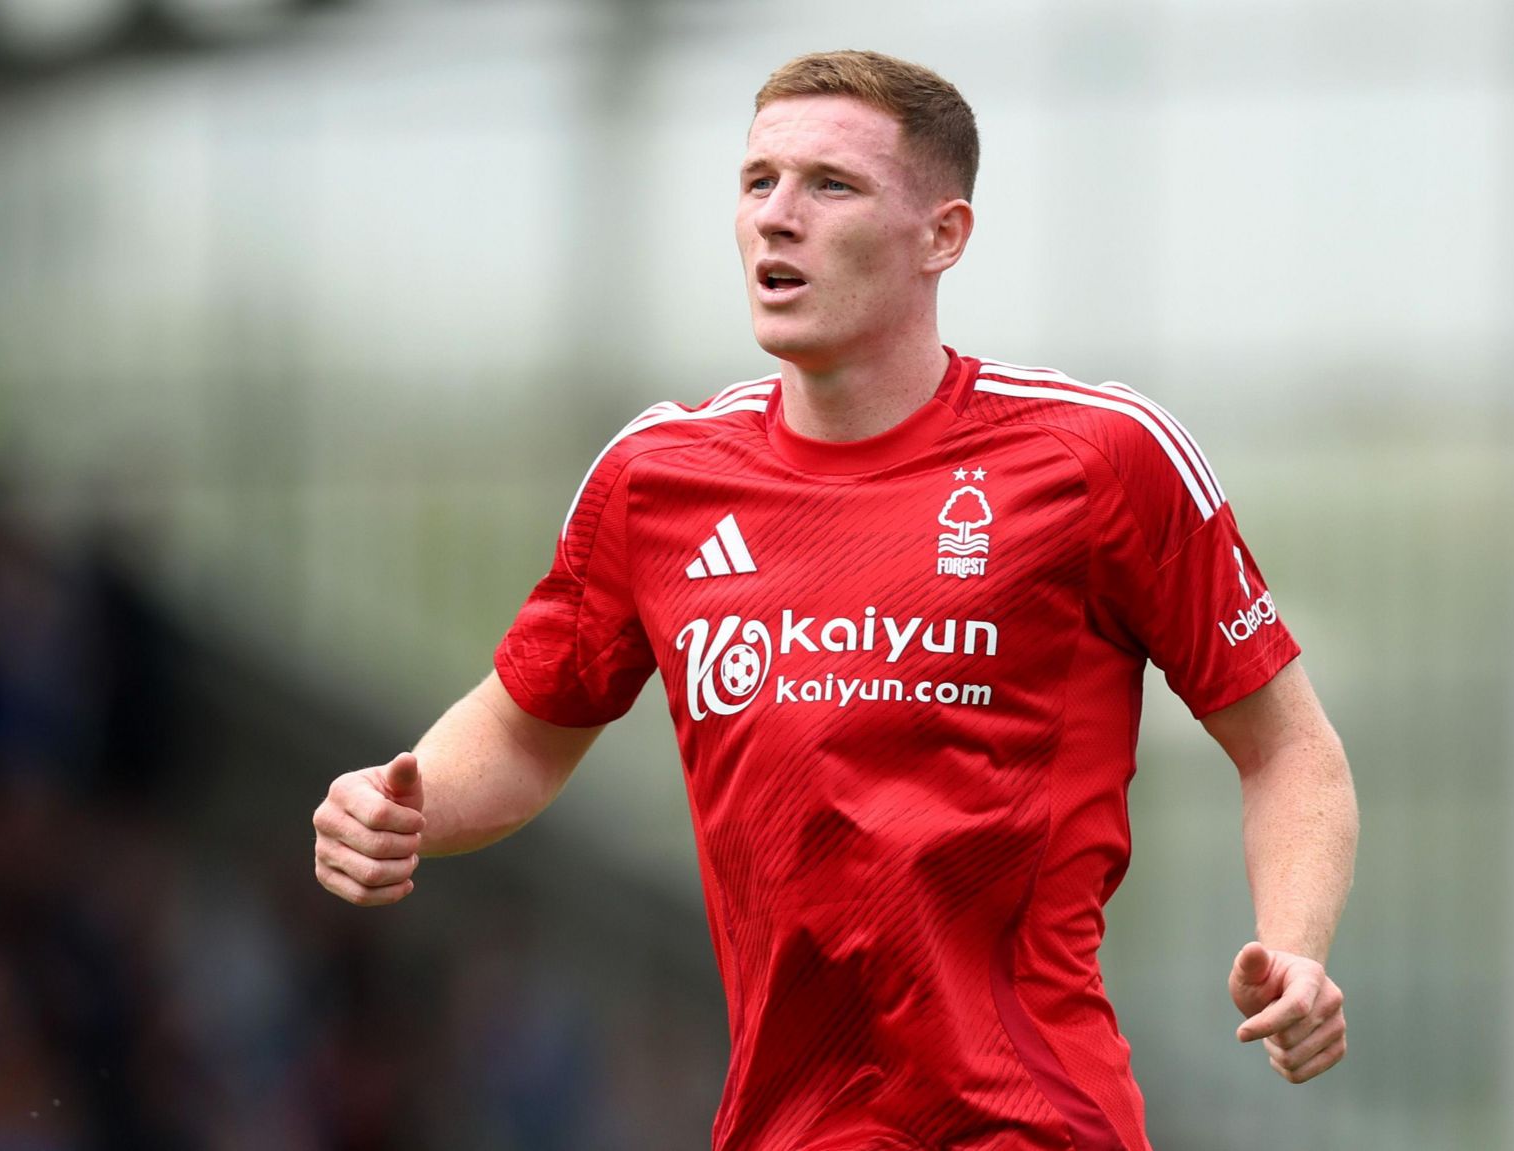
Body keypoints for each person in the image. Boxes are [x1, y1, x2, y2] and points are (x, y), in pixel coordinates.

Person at [313, 49, 1358, 1151]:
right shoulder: (656, 477)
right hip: (780, 1127)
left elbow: (1286, 746)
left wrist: (1292, 945)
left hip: (1030, 1121)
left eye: (830, 185)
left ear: (941, 236)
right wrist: (404, 804)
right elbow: (527, 727)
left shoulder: (1096, 457)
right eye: (757, 180)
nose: (776, 216)